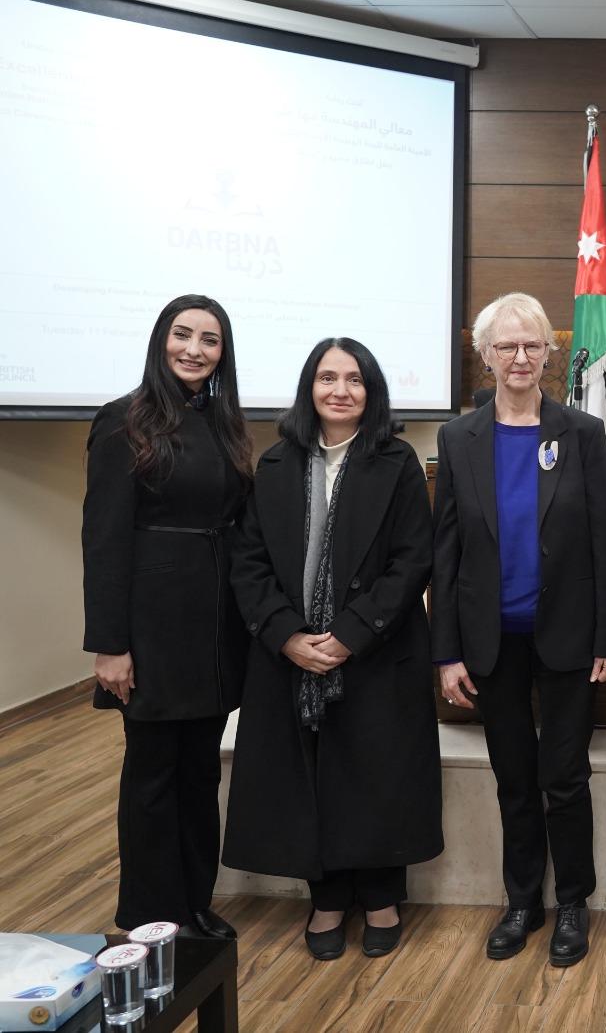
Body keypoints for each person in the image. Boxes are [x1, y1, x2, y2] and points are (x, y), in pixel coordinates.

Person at [223, 338, 440, 960]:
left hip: (375, 649)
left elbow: (412, 560)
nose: (340, 390)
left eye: (354, 379)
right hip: (291, 654)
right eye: (327, 378)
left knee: (375, 775)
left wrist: (350, 634)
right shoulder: (274, 464)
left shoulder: (397, 462)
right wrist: (287, 635)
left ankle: (381, 897)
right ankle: (327, 899)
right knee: (309, 776)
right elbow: (249, 562)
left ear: (372, 392)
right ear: (308, 388)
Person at [431, 293, 606, 965]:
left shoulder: (582, 433)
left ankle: (572, 902)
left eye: (532, 345)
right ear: (485, 355)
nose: (520, 357)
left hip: (569, 637)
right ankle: (522, 902)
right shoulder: (458, 438)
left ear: (549, 353)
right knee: (513, 778)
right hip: (491, 643)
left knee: (565, 778)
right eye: (506, 346)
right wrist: (447, 652)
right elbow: (447, 552)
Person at [81, 293, 254, 938]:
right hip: (150, 630)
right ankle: (149, 917)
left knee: (200, 771)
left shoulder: (225, 423)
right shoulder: (122, 420)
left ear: (222, 354)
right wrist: (109, 644)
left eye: (210, 340)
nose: (194, 350)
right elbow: (103, 539)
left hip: (213, 627)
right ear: (161, 341)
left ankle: (193, 903)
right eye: (183, 335)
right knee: (152, 776)